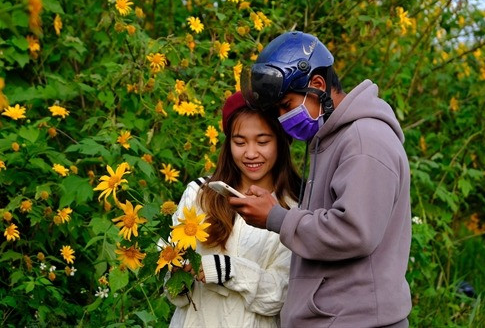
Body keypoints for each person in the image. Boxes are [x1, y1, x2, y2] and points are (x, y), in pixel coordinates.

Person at [230, 31, 412, 327]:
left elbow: (354, 231)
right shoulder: (331, 140)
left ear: (317, 85)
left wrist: (276, 217)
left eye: (286, 105)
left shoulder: (364, 140)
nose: (282, 118)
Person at [167, 91, 302, 327]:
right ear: (228, 144)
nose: (250, 153)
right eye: (240, 142)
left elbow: (282, 296)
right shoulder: (200, 194)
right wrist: (176, 270)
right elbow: (174, 290)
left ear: (281, 142)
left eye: (262, 141)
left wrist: (228, 270)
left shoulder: (293, 211)